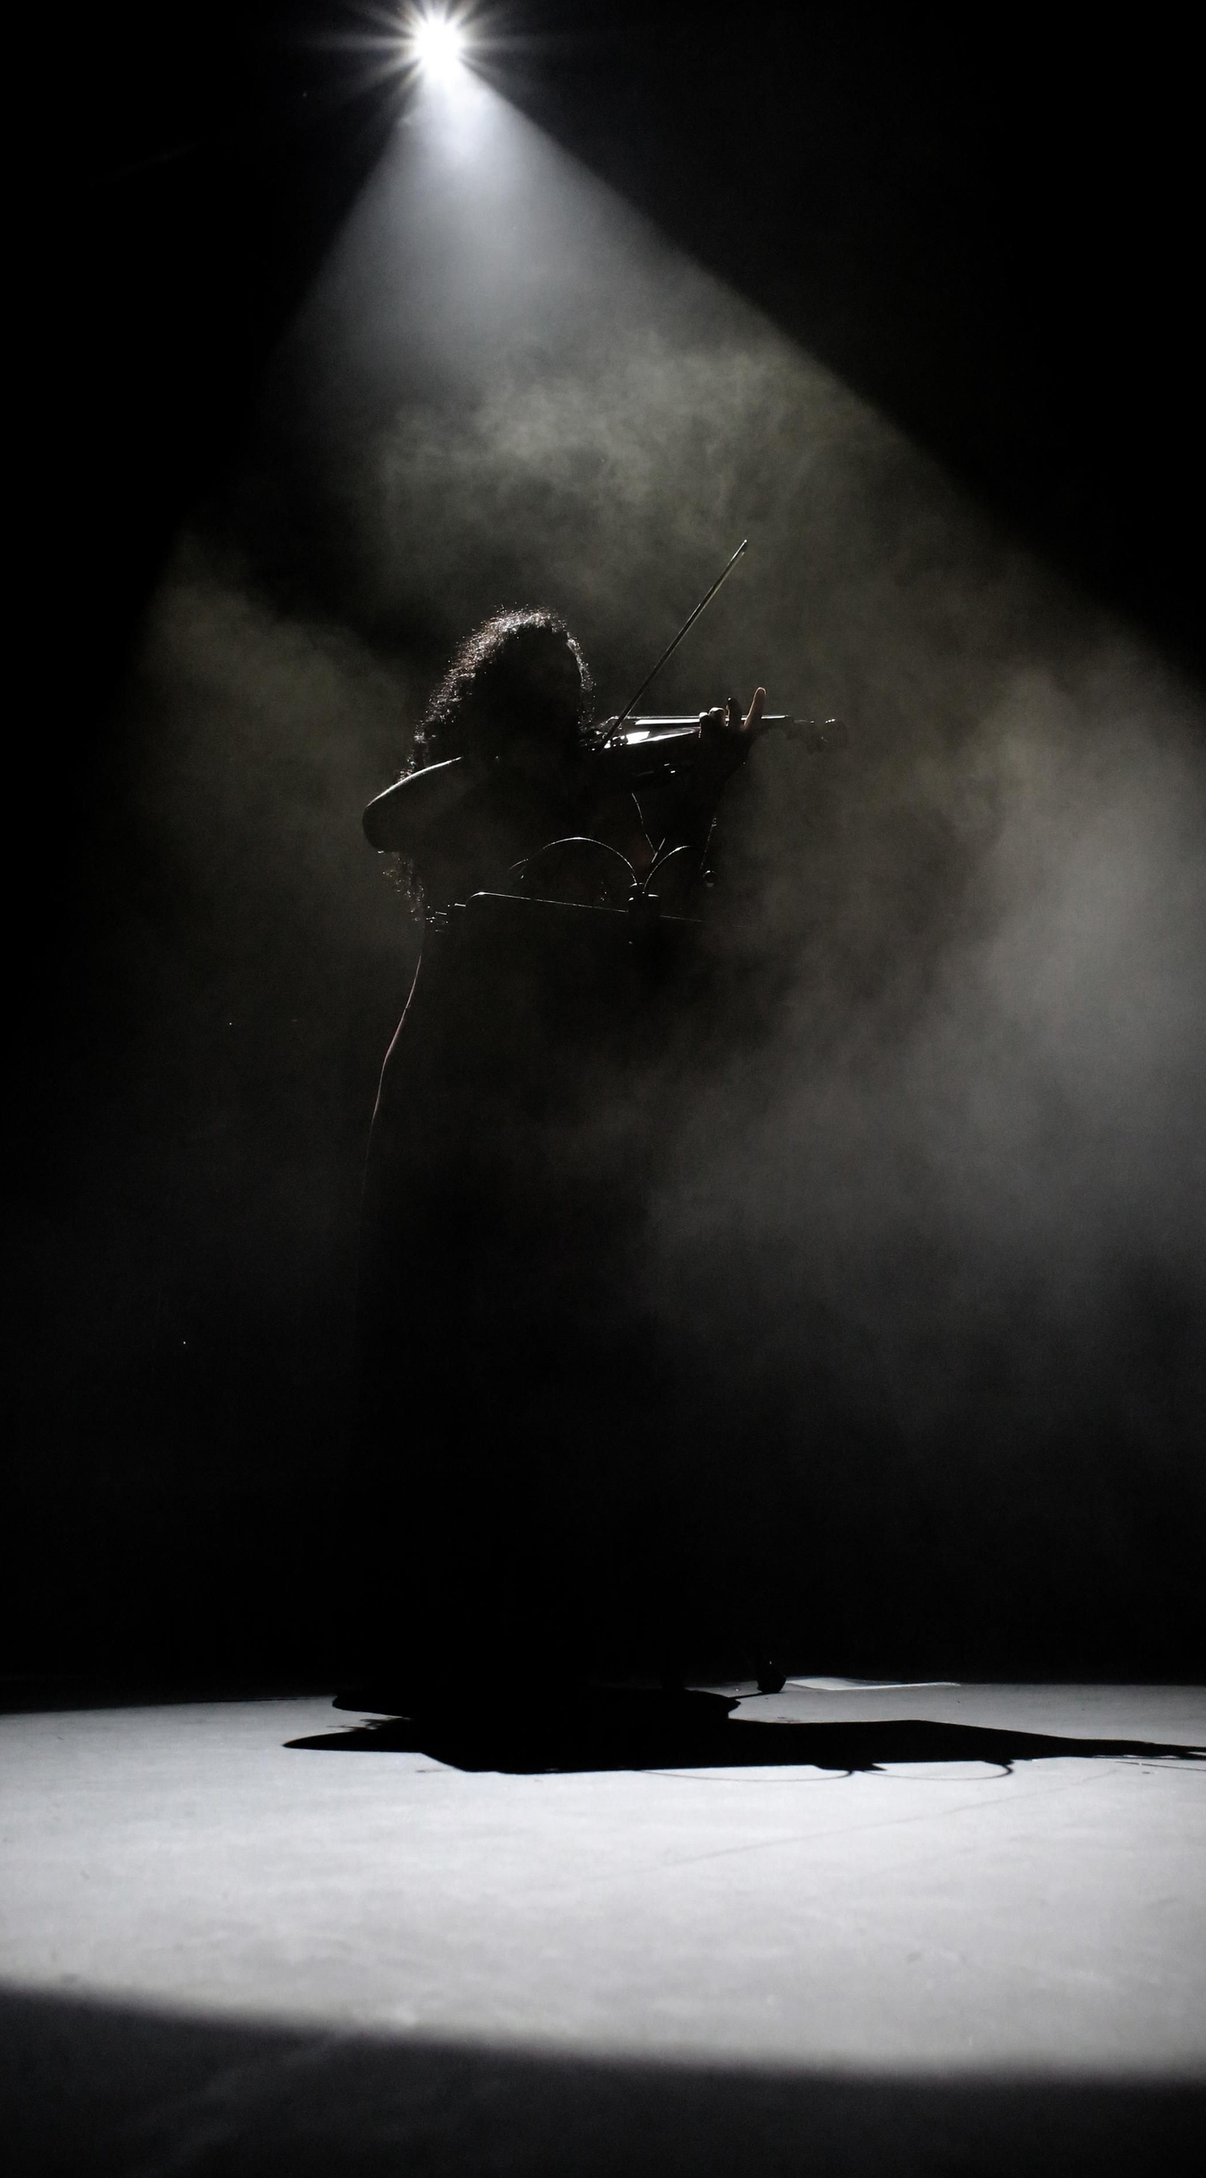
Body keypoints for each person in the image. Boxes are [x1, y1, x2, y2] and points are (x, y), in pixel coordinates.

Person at [347, 607, 766, 1690]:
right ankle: (421, 1626)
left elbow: (664, 899)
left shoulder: (589, 790)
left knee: (552, 1348)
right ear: (494, 703)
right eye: (537, 693)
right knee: (444, 1346)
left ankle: (555, 1619)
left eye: (568, 693)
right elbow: (379, 822)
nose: (564, 713)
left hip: (553, 1092)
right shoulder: (466, 784)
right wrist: (500, 766)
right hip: (451, 1069)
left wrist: (705, 788)